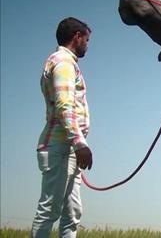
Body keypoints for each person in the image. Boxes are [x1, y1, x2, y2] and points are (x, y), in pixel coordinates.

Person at [31, 17, 93, 238]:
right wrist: (79, 143)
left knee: (72, 213)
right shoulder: (64, 63)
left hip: (68, 150)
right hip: (61, 148)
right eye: (86, 39)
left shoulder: (63, 63)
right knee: (49, 210)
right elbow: (64, 106)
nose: (87, 44)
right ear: (77, 37)